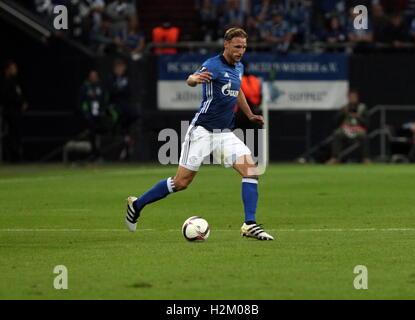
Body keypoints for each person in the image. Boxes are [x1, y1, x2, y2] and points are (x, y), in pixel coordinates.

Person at [125, 28, 274, 240]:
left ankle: (249, 224)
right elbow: (191, 79)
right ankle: (137, 204)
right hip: (202, 131)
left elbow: (238, 89)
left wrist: (250, 114)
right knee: (181, 182)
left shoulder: (238, 67)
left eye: (244, 47)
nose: (241, 51)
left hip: (225, 133)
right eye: (237, 47)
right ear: (226, 45)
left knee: (251, 171)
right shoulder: (213, 64)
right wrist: (195, 79)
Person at [327, 89, 371, 164]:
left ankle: (366, 158)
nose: (352, 98)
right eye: (351, 97)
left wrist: (358, 117)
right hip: (345, 129)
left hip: (358, 129)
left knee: (364, 135)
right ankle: (335, 157)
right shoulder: (345, 107)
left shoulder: (362, 107)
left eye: (354, 97)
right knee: (337, 133)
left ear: (357, 97)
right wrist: (343, 112)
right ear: (348, 98)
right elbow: (335, 121)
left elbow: (367, 123)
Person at [77, 70, 111, 160]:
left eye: (95, 75)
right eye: (92, 76)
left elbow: (105, 100)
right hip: (90, 117)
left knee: (104, 131)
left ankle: (103, 154)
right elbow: (81, 102)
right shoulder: (85, 87)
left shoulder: (101, 86)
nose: (93, 77)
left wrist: (103, 111)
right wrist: (86, 113)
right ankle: (95, 155)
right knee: (92, 135)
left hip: (100, 117)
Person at [0, 61, 28, 162]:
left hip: (17, 113)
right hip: (10, 113)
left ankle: (17, 156)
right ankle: (12, 157)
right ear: (7, 70)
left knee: (17, 135)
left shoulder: (15, 82)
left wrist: (23, 102)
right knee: (11, 135)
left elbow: (18, 94)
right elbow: (6, 97)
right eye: (13, 68)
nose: (15, 70)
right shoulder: (6, 82)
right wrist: (19, 103)